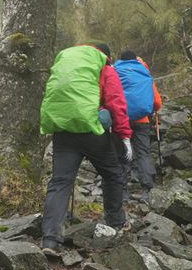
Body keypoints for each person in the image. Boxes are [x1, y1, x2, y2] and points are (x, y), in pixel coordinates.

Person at [39, 42, 133, 256]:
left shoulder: (67, 63)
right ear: (105, 56)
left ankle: (50, 240)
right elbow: (116, 103)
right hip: (92, 131)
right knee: (113, 174)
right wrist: (125, 136)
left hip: (63, 130)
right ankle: (116, 223)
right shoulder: (105, 68)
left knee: (60, 182)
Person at [114, 50, 163, 204]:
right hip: (142, 120)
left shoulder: (114, 71)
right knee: (143, 153)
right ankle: (147, 190)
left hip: (121, 120)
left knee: (121, 155)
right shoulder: (144, 72)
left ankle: (122, 193)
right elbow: (157, 103)